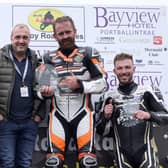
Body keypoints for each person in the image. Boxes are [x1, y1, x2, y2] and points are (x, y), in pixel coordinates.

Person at [35, 16, 107, 168]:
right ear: (55, 36)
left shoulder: (88, 53)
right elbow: (36, 89)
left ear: (75, 32)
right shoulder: (47, 58)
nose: (65, 36)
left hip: (83, 115)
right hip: (57, 116)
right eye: (60, 34)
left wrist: (80, 85)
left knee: (88, 162)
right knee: (53, 162)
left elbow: (103, 83)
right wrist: (44, 93)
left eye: (68, 32)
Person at [96, 53, 168, 168]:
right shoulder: (109, 97)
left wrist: (149, 115)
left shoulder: (147, 91)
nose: (124, 71)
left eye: (127, 67)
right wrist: (106, 117)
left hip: (146, 152)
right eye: (120, 68)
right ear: (114, 71)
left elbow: (166, 117)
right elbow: (101, 132)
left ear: (134, 69)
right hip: (122, 156)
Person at [0, 24, 43, 168]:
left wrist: (39, 115)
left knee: (24, 163)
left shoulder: (35, 61)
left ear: (29, 40)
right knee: (7, 163)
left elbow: (44, 90)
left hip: (29, 123)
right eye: (17, 37)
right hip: (6, 122)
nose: (21, 41)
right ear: (11, 39)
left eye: (25, 37)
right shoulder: (1, 58)